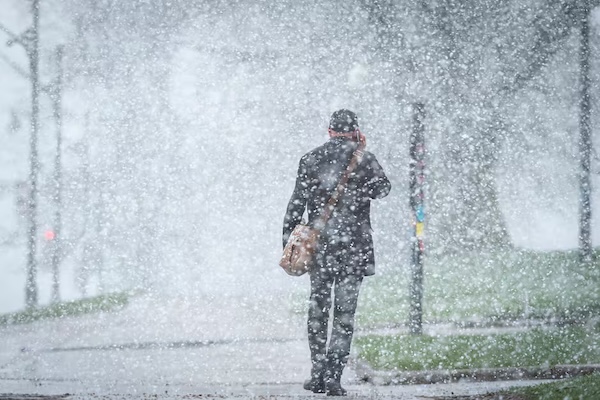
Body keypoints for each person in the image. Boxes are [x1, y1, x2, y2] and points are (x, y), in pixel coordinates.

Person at [283, 109, 391, 396]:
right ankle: (333, 378)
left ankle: (317, 373)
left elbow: (297, 202)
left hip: (320, 249)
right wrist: (362, 153)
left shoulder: (310, 159)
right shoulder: (364, 158)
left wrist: (289, 240)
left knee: (318, 311)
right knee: (345, 316)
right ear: (355, 130)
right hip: (354, 249)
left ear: (329, 130)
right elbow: (383, 189)